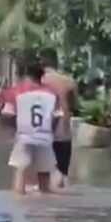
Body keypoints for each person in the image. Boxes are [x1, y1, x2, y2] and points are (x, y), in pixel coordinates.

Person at [5, 62, 59, 195]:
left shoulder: (16, 91)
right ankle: (44, 209)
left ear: (26, 75)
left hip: (24, 136)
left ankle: (19, 207)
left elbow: (7, 114)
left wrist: (16, 128)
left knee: (21, 171)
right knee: (44, 180)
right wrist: (51, 131)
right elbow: (57, 116)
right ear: (41, 76)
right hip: (45, 136)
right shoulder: (51, 93)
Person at [41, 49, 79, 187]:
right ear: (56, 61)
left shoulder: (39, 82)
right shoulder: (69, 81)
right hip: (63, 134)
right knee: (61, 174)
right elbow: (75, 107)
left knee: (42, 177)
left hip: (42, 133)